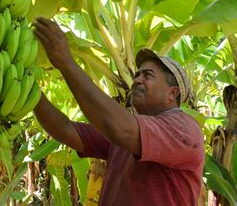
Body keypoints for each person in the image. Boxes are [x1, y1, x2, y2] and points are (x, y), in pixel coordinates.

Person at [32, 17, 204, 205]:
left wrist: (67, 63)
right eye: (137, 74)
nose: (137, 80)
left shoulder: (184, 129)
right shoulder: (126, 135)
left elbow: (120, 128)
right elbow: (66, 130)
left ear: (172, 93)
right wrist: (28, 90)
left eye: (148, 75)